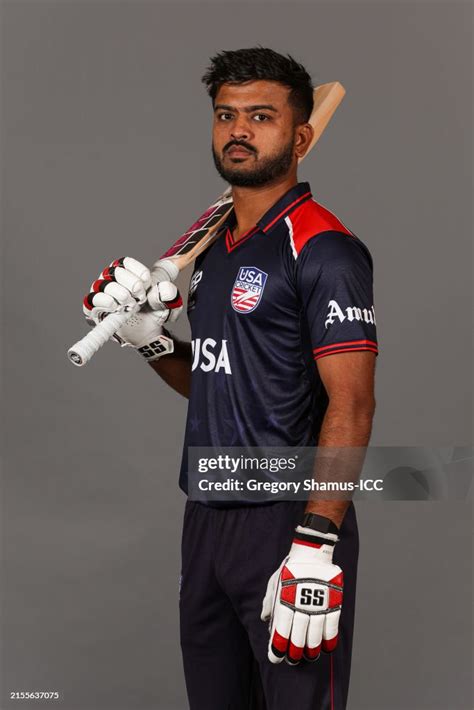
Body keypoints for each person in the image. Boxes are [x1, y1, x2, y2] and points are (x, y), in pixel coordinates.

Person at [83, 48, 378, 710]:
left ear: (301, 137)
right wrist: (150, 342)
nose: (239, 130)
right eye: (226, 116)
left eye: (261, 116)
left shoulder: (323, 247)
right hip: (208, 516)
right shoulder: (215, 250)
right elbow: (218, 380)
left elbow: (353, 407)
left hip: (286, 521)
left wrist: (316, 543)